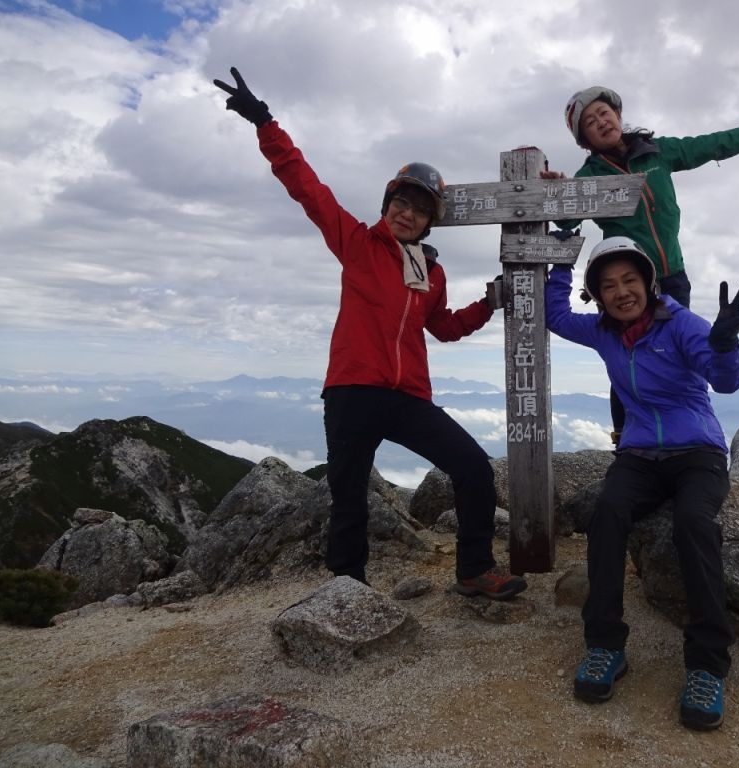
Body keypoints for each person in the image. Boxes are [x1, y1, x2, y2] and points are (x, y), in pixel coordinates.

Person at [213, 67, 526, 600]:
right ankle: (348, 590)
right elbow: (306, 188)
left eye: (420, 208)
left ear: (431, 221)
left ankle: (474, 570)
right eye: (401, 203)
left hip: (407, 397)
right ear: (387, 206)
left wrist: (489, 303)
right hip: (353, 390)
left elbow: (442, 328)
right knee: (349, 496)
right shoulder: (356, 243)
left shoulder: (430, 271)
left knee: (472, 466)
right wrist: (265, 123)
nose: (408, 213)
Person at [545, 236, 739, 731]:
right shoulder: (602, 331)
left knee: (693, 523)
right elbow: (553, 314)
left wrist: (724, 345)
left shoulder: (679, 323)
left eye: (629, 280)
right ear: (598, 295)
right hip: (638, 454)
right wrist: (562, 261)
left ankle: (707, 665)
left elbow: (725, 382)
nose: (620, 292)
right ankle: (605, 647)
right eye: (608, 285)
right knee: (606, 516)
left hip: (697, 453)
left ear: (648, 283)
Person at [541, 86, 739, 445]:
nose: (601, 122)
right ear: (584, 140)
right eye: (590, 122)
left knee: (681, 353)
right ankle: (626, 441)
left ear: (618, 115)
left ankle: (692, 437)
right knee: (629, 359)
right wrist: (560, 193)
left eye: (604, 113)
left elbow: (708, 145)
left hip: (672, 279)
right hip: (628, 285)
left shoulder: (658, 152)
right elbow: (567, 224)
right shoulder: (589, 177)